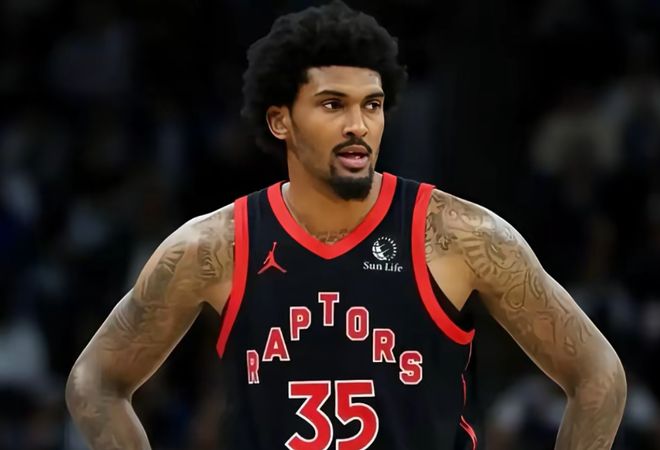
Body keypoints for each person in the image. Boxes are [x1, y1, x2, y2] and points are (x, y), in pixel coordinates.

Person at [65, 2, 627, 449]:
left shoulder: (458, 234)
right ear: (281, 120)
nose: (359, 125)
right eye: (333, 105)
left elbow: (598, 374)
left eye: (372, 105)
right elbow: (95, 381)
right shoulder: (217, 245)